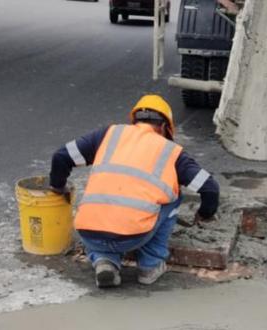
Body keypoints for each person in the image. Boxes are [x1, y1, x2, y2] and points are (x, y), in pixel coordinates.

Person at [49, 94, 220, 288]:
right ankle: (150, 266)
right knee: (173, 196)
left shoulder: (108, 134)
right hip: (133, 236)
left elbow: (61, 156)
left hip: (89, 233)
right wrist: (205, 214)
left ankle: (105, 261)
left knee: (107, 206)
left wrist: (58, 186)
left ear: (135, 120)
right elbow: (210, 188)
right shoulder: (171, 151)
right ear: (164, 127)